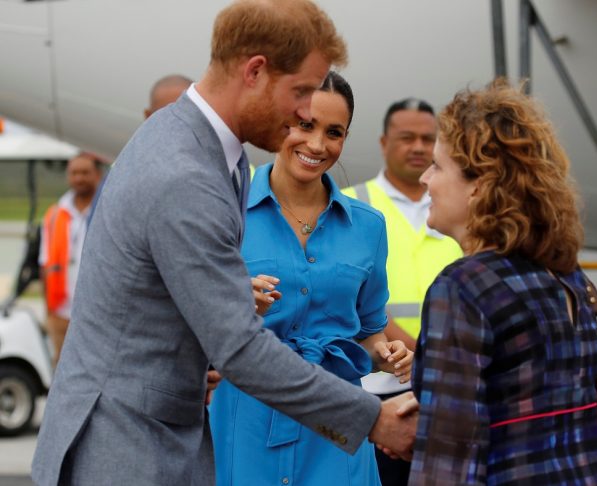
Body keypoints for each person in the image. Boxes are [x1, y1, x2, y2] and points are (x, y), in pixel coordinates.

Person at [31, 2, 415, 485]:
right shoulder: (185, 173)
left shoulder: (214, 153)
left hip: (167, 434)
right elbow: (240, 349)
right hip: (128, 451)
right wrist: (373, 419)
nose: (304, 113)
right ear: (255, 72)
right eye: (300, 93)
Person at [402, 80, 597, 485]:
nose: (425, 180)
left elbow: (449, 456)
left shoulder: (463, 287)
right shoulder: (566, 273)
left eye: (438, 166)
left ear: (480, 185)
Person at [210, 71, 413, 486]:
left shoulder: (368, 227)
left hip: (338, 424)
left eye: (334, 132)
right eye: (305, 125)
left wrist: (387, 351)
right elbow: (194, 316)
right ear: (282, 120)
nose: (317, 145)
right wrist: (233, 301)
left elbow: (369, 330)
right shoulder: (226, 211)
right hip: (246, 417)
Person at [342, 98, 461, 485]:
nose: (418, 148)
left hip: (445, 388)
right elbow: (351, 295)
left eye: (428, 139)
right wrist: (417, 354)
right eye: (406, 137)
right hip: (377, 388)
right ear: (383, 142)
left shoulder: (453, 202)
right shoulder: (352, 203)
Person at [39, 152, 102, 365]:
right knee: (61, 371)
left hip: (96, 312)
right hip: (61, 312)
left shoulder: (106, 208)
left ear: (97, 175)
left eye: (85, 172)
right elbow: (45, 262)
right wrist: (49, 309)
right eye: (74, 173)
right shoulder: (56, 213)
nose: (79, 178)